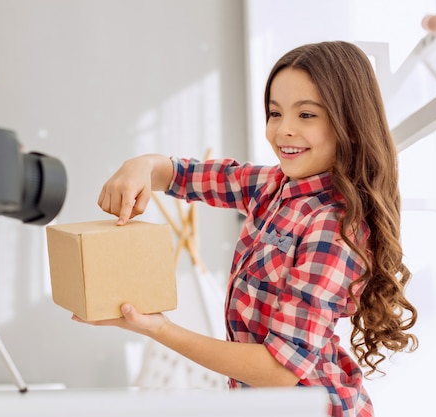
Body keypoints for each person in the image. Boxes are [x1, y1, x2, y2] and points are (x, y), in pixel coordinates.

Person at [73, 41, 418, 417]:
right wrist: (141, 165)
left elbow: (280, 369)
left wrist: (159, 329)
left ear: (349, 125)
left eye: (306, 115)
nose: (283, 130)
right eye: (275, 113)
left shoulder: (334, 228)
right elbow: (185, 175)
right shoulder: (272, 186)